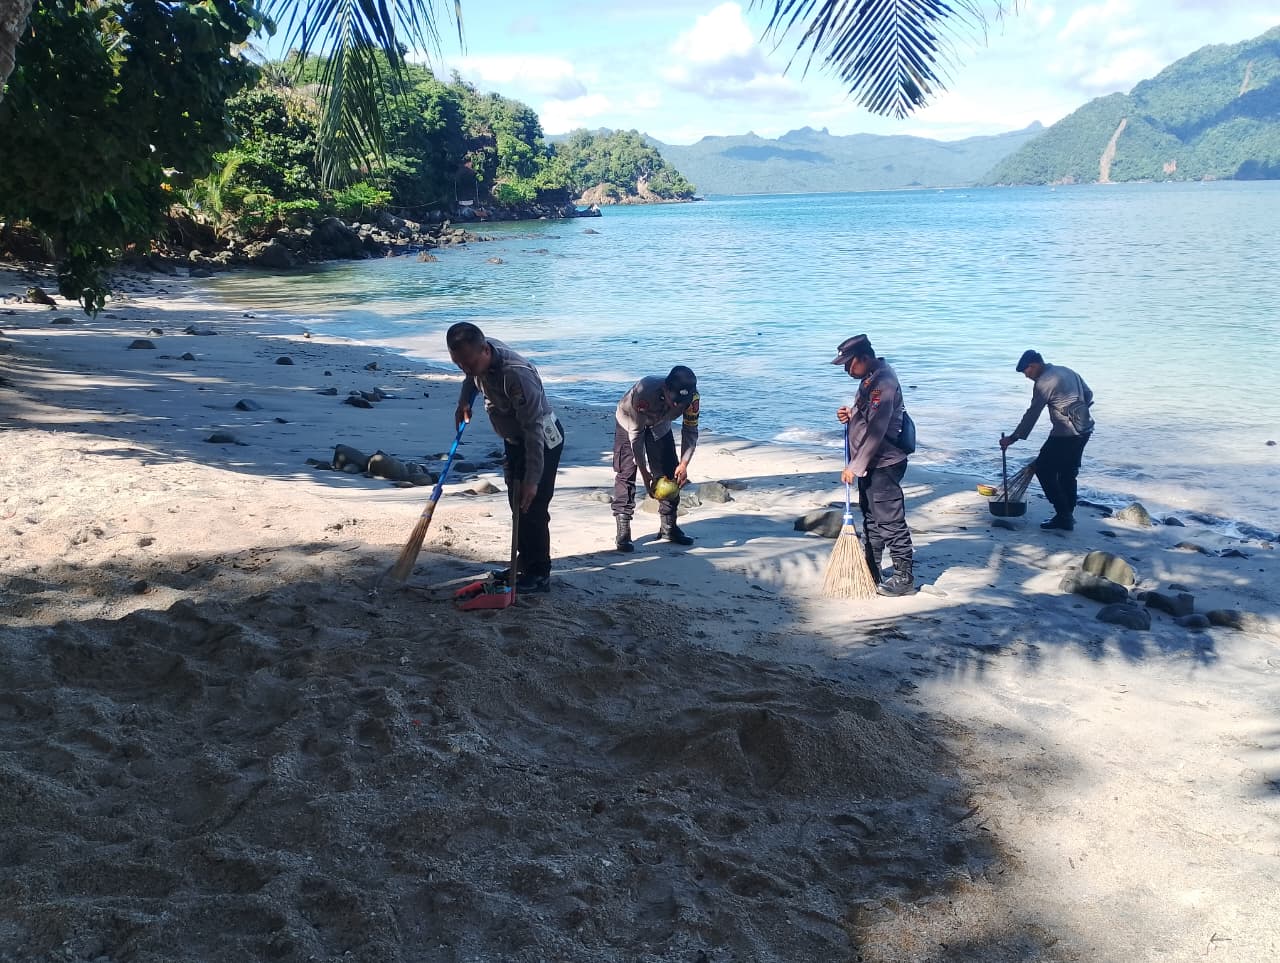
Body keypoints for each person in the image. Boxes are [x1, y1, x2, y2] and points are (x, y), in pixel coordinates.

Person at [448, 322, 564, 593]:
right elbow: (471, 378)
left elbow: (534, 430)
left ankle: (539, 574)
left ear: (485, 350)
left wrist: (533, 480)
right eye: (458, 364)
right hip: (514, 440)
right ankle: (525, 563)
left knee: (532, 506)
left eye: (469, 363)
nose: (465, 368)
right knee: (516, 504)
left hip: (542, 441)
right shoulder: (476, 359)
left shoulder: (516, 376)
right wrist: (464, 401)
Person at [832, 334, 914, 597]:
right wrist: (851, 414)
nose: (846, 369)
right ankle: (871, 568)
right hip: (871, 464)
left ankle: (904, 577)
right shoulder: (870, 379)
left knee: (889, 520)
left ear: (864, 358)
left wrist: (854, 467)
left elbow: (877, 431)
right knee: (870, 516)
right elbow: (869, 415)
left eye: (849, 363)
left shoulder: (883, 383)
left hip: (884, 462)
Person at [1001, 349, 1094, 531]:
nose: (1026, 376)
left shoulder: (1044, 382)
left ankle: (1063, 515)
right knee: (1068, 472)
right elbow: (1088, 394)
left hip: (1065, 434)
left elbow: (1033, 413)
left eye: (1026, 371)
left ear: (1034, 365)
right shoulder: (1067, 371)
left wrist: (1013, 438)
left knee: (1043, 469)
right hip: (1085, 430)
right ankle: (1067, 515)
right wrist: (1078, 410)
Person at [611, 366, 701, 551]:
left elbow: (690, 430)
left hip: (660, 423)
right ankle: (623, 530)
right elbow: (636, 436)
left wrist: (684, 464)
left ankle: (669, 526)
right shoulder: (644, 392)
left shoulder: (692, 398)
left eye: (681, 403)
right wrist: (644, 473)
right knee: (626, 471)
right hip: (629, 421)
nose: (676, 405)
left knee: (670, 471)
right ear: (665, 389)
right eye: (674, 400)